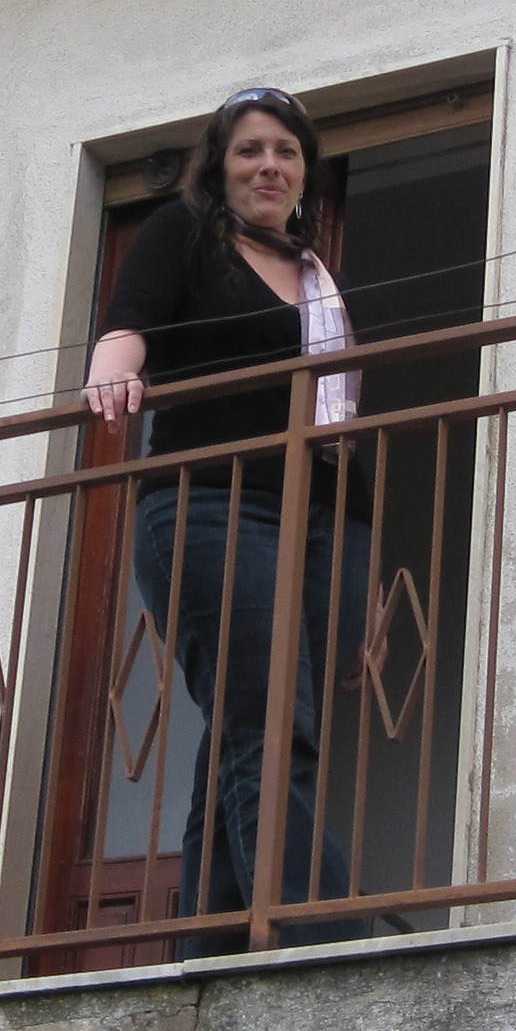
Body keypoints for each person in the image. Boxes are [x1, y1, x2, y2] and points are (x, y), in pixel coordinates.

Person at [82, 86, 372, 950]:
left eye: (286, 151)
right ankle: (318, 931)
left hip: (316, 522)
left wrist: (359, 584)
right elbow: (129, 322)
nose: (269, 166)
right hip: (210, 503)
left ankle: (207, 942)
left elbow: (344, 432)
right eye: (250, 150)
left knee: (247, 729)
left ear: (305, 173)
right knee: (273, 721)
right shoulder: (185, 234)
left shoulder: (320, 281)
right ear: (221, 167)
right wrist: (112, 368)